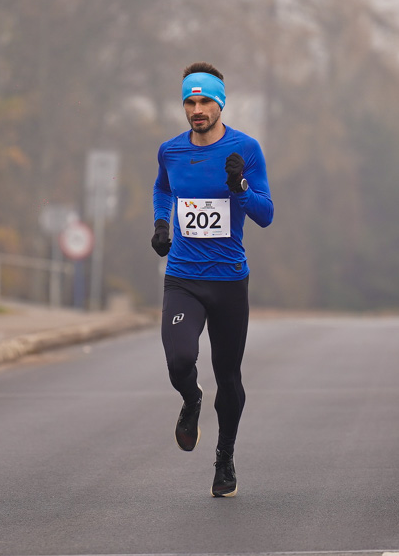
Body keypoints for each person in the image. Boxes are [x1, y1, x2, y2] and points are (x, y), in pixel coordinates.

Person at [151, 62, 273, 497]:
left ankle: (225, 458)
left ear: (220, 103)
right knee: (179, 361)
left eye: (205, 101)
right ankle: (190, 399)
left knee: (229, 377)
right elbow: (163, 188)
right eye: (190, 101)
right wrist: (162, 223)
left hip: (228, 280)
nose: (197, 109)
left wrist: (239, 185)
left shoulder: (246, 149)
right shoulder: (171, 150)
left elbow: (266, 214)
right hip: (182, 277)